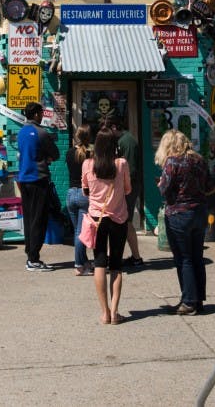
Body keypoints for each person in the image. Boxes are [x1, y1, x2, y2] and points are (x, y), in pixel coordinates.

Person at [155, 129, 209, 315]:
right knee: (197, 258)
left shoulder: (172, 161)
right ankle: (198, 299)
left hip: (179, 213)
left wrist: (160, 183)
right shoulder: (199, 161)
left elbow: (164, 189)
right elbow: (207, 185)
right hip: (199, 212)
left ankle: (188, 302)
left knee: (184, 259)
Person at [81, 127, 132, 324]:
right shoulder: (121, 164)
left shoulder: (87, 164)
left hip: (97, 220)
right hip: (119, 219)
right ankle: (115, 313)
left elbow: (85, 190)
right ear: (114, 145)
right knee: (116, 265)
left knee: (99, 263)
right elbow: (128, 190)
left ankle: (104, 312)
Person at [17, 102, 60, 272]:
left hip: (24, 180)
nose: (42, 116)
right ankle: (34, 259)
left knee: (29, 219)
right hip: (38, 179)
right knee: (39, 220)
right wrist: (46, 158)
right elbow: (56, 154)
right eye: (41, 113)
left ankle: (30, 254)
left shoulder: (21, 132)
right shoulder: (41, 133)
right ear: (35, 114)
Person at [111, 120, 144, 267]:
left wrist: (123, 188)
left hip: (129, 187)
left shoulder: (127, 141)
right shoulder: (123, 140)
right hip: (128, 186)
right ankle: (135, 257)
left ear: (114, 127)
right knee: (125, 221)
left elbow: (130, 169)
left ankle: (134, 258)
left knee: (126, 221)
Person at [65, 123, 94, 276]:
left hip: (70, 194)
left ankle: (84, 262)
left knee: (79, 231)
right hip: (84, 195)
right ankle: (78, 265)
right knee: (81, 233)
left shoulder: (69, 153)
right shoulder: (90, 154)